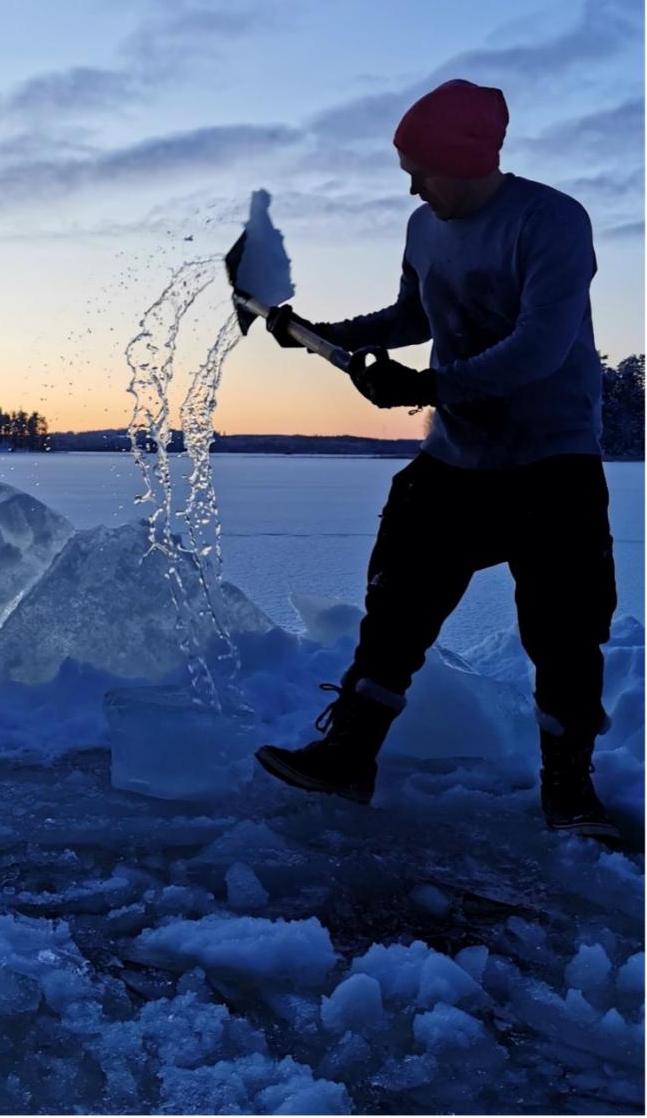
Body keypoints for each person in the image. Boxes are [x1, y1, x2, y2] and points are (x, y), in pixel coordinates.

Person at [255, 77, 621, 845]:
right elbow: (413, 314)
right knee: (396, 606)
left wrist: (427, 385)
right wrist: (325, 331)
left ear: (467, 157)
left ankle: (570, 789)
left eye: (421, 169)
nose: (413, 186)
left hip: (552, 458)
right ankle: (349, 753)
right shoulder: (426, 227)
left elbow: (540, 346)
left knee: (565, 630)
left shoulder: (550, 221)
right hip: (458, 456)